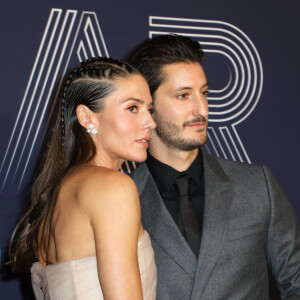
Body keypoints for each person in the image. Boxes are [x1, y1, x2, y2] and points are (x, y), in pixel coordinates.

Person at [126, 34, 300, 299]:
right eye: (183, 95)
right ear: (147, 107)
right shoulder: (122, 201)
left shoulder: (257, 185)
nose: (202, 109)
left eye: (204, 93)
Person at [8, 57, 157, 299]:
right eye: (132, 108)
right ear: (87, 118)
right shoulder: (113, 187)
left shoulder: (57, 193)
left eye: (149, 109)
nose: (150, 122)